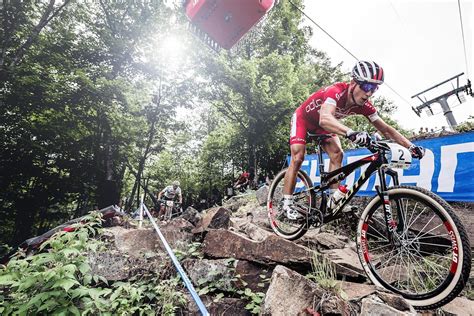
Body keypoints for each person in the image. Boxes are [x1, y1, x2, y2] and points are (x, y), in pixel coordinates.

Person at [283, 60, 425, 220]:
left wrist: (410, 146)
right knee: (298, 158)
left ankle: (332, 200)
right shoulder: (335, 91)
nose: (370, 93)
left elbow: (385, 129)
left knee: (337, 154)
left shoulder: (364, 105)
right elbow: (325, 118)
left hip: (324, 127)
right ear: (353, 83)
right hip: (304, 120)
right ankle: (286, 204)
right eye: (366, 87)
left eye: (375, 88)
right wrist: (351, 132)